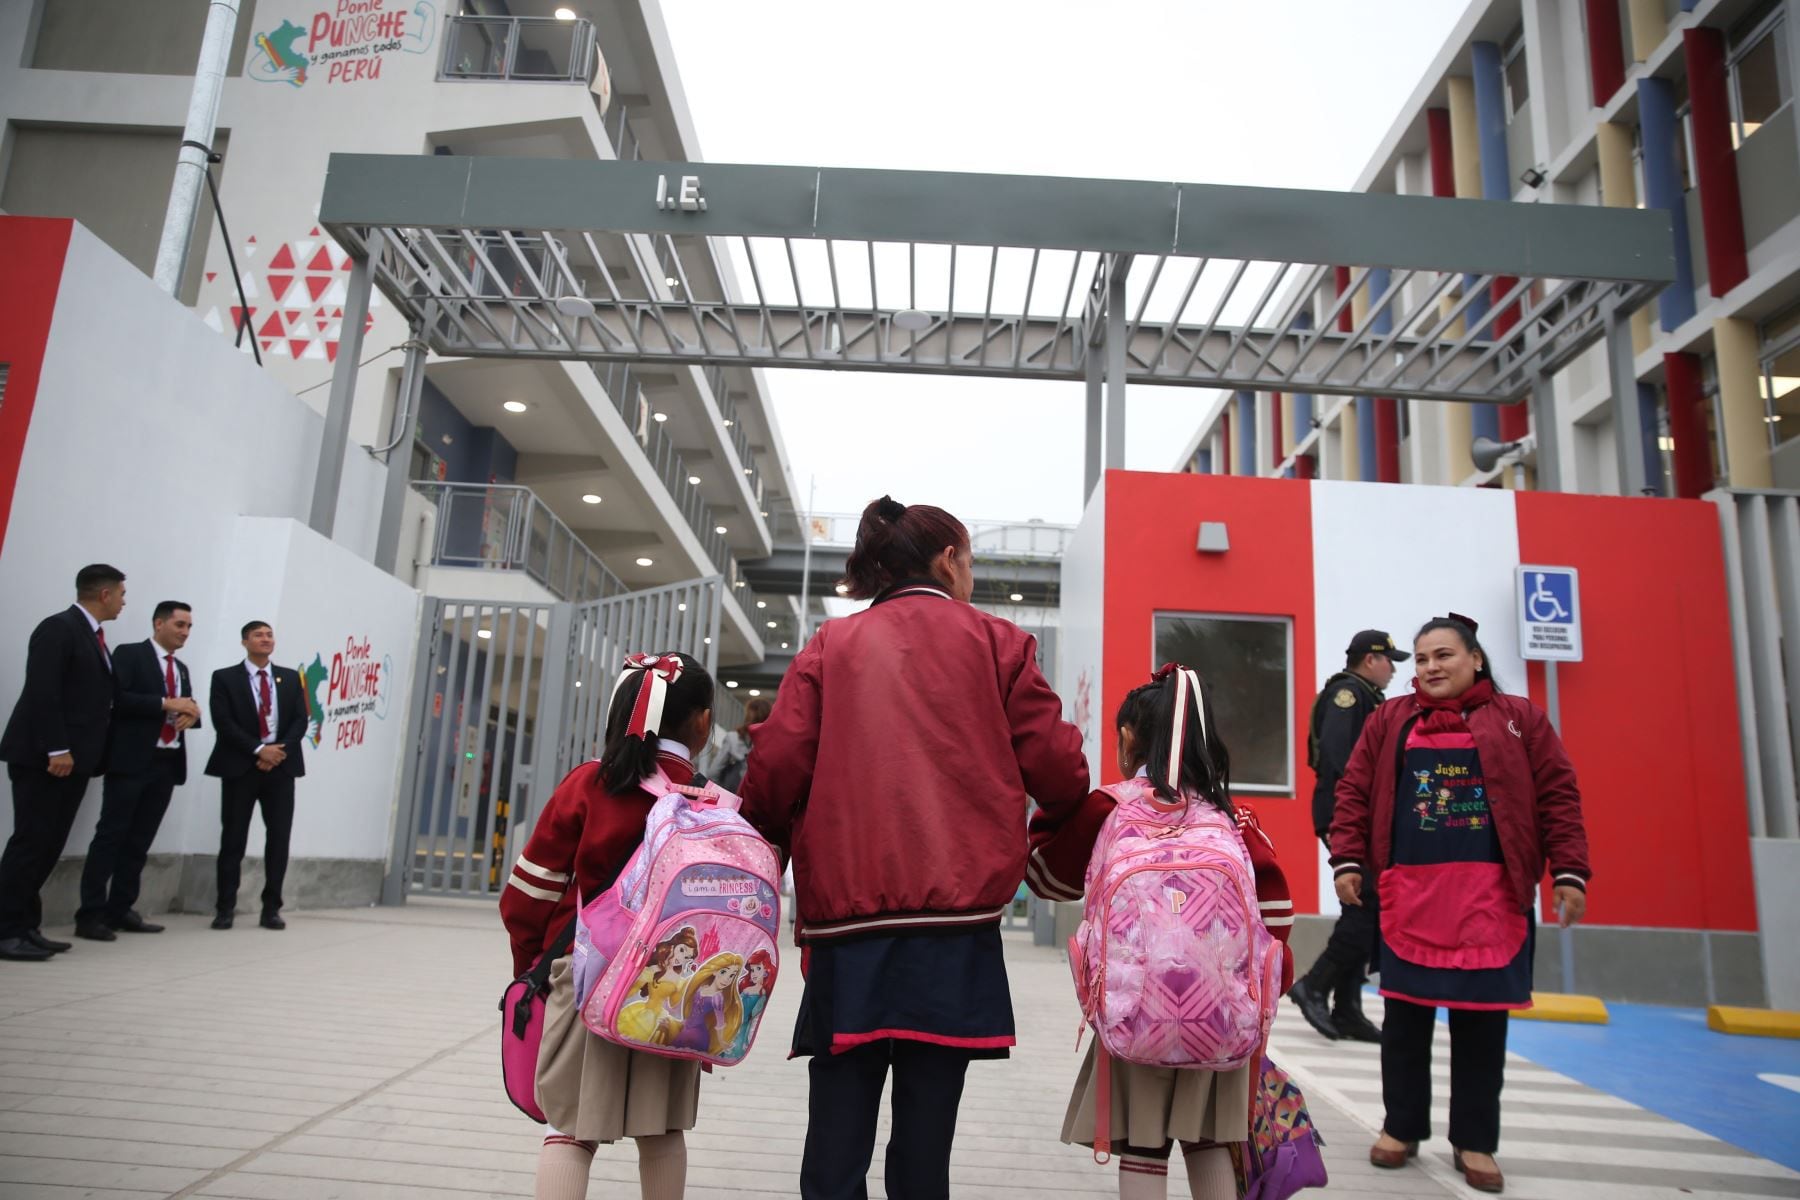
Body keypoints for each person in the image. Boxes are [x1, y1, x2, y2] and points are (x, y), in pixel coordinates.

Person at [740, 495, 1090, 1200]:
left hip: (848, 928)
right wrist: (1048, 846)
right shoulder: (997, 642)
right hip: (954, 931)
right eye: (970, 561)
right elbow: (1063, 775)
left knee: (836, 1130)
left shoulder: (829, 648)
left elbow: (772, 774)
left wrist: (768, 850)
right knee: (927, 1139)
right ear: (948, 559)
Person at [1330, 614, 1591, 1195]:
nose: (1430, 668)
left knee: (1481, 1027)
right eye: (1421, 660)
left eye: (1443, 656)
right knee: (1404, 1021)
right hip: (1409, 897)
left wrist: (1569, 871)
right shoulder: (1390, 720)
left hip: (1491, 899)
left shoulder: (1521, 719)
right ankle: (1401, 1127)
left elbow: (1557, 793)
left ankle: (1474, 1140)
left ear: (1475, 659)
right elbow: (1354, 790)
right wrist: (1347, 860)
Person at [1030, 668, 1294, 1200]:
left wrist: (1052, 818)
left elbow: (1045, 878)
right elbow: (1276, 915)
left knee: (1144, 1146)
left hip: (1134, 1010)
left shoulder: (1109, 806)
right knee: (1210, 1140)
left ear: (1130, 738)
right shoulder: (1233, 816)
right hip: (1219, 1022)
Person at [499, 651, 715, 1200]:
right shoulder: (710, 802)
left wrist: (531, 964)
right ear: (703, 721)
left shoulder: (590, 784)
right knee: (662, 1132)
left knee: (568, 1131)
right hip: (672, 989)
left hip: (587, 973)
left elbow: (528, 895)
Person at [0, 564, 128, 962]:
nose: (125, 602)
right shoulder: (59, 628)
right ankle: (5, 930)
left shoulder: (93, 637)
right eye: (122, 594)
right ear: (104, 594)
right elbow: (43, 691)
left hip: (74, 762)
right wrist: (57, 748)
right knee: (30, 843)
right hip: (45, 758)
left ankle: (25, 925)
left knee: (49, 846)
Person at [1287, 629, 1408, 1043]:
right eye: (1389, 659)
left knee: (1367, 904)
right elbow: (1341, 761)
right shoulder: (1349, 696)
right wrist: (1354, 820)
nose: (1393, 668)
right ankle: (1315, 985)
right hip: (1349, 814)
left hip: (1360, 815)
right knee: (1367, 905)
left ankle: (1348, 1008)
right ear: (1370, 660)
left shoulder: (1366, 698)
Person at [75, 600, 202, 940]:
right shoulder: (130, 655)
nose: (185, 632)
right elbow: (118, 699)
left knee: (139, 841)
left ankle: (121, 909)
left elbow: (186, 707)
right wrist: (164, 703)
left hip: (167, 762)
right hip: (131, 761)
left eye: (189, 627)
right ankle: (90, 914)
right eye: (180, 625)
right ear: (159, 624)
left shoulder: (182, 669)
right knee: (111, 836)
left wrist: (193, 714)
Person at [205, 621, 308, 930]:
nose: (265, 639)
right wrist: (258, 750)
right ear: (244, 642)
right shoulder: (224, 678)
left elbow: (300, 721)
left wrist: (276, 752)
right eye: (258, 635)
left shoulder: (290, 678)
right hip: (240, 767)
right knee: (233, 839)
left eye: (269, 635)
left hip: (281, 768)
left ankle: (271, 909)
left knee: (278, 839)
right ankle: (225, 908)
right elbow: (223, 722)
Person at [706, 696, 769, 792]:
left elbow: (713, 772)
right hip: (758, 800)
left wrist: (722, 794)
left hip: (733, 796)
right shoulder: (770, 744)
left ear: (747, 716)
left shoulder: (732, 738)